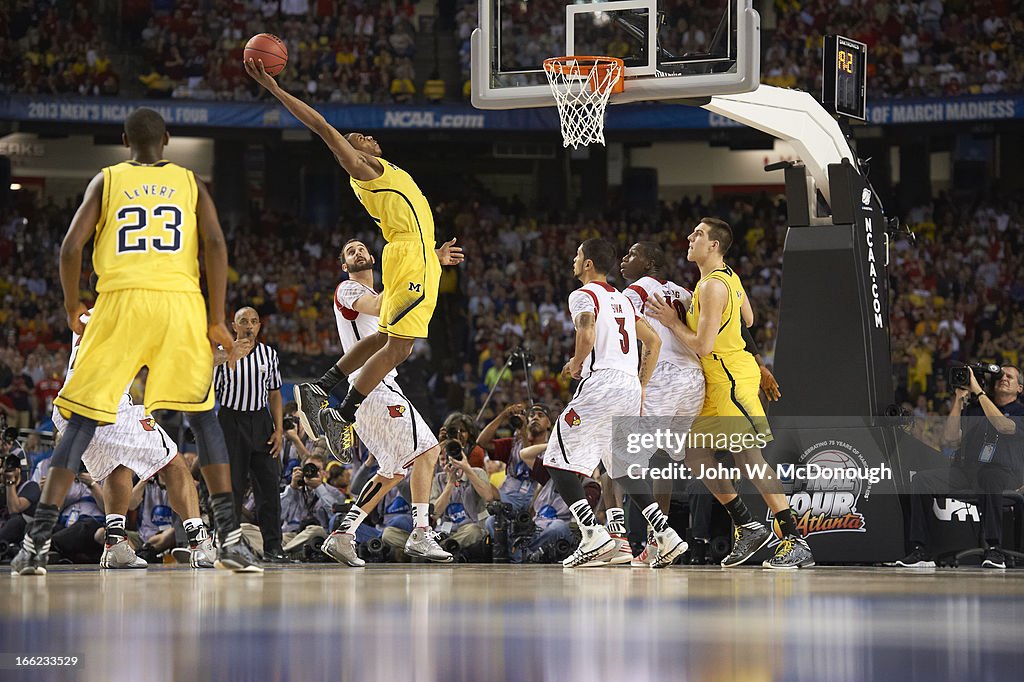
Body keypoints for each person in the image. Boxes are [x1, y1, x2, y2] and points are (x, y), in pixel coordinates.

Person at [12, 108, 259, 576]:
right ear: (166, 140)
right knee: (204, 419)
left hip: (119, 302)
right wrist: (216, 319)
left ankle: (37, 542)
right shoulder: (190, 182)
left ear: (125, 140)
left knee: (82, 422)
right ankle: (228, 541)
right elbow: (215, 245)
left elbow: (70, 247)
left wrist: (70, 308)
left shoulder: (105, 180)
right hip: (178, 302)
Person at [244, 58, 464, 460]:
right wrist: (275, 91)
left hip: (418, 257)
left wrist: (433, 257)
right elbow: (323, 127)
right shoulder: (360, 169)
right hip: (408, 256)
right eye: (357, 137)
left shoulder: (386, 167)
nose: (365, 136)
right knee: (400, 349)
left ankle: (323, 385)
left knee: (384, 337)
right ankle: (343, 414)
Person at [646, 217, 813, 569]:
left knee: (750, 459)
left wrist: (674, 322)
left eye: (699, 234)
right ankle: (746, 524)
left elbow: (704, 346)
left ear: (714, 246)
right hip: (719, 380)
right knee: (693, 454)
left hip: (730, 380)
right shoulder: (723, 278)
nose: (690, 237)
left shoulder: (712, 287)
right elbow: (748, 318)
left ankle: (795, 540)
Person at [543, 238, 686, 568]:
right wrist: (640, 384)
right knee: (620, 466)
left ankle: (593, 535)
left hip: (602, 383)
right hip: (628, 388)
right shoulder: (623, 299)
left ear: (589, 264)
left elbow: (587, 333)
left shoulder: (582, 295)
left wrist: (577, 362)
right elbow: (652, 342)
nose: (574, 261)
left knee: (555, 459)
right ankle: (665, 536)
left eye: (577, 256)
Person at [318, 240, 454, 566]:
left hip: (372, 390)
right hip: (372, 388)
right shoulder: (348, 290)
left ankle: (343, 534)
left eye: (361, 248)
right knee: (429, 451)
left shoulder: (378, 290)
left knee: (391, 472)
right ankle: (421, 532)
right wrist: (422, 262)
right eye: (350, 251)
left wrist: (428, 261)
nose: (358, 252)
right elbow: (382, 305)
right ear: (344, 265)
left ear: (373, 257)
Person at [48, 309, 216, 569]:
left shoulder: (86, 315)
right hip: (106, 407)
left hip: (67, 406)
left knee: (119, 466)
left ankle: (115, 545)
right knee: (173, 462)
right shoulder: (132, 312)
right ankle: (200, 543)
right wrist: (220, 356)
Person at [619, 241, 706, 565]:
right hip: (693, 379)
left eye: (632, 255)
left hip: (662, 377)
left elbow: (632, 345)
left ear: (650, 262)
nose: (625, 260)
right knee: (663, 461)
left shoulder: (634, 294)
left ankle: (619, 538)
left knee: (618, 453)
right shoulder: (684, 292)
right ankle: (659, 541)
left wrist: (637, 385)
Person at [897, 365, 1024, 569]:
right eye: (1001, 375)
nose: (1003, 378)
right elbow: (949, 438)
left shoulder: (1020, 411)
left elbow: (1003, 426)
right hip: (967, 472)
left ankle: (994, 548)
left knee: (989, 477)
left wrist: (978, 390)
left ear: (1020, 388)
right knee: (921, 480)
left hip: (1004, 473)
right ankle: (921, 550)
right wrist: (958, 399)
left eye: (1010, 376)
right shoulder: (975, 408)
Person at [213, 306, 287, 562]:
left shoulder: (269, 354)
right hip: (230, 421)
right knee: (231, 487)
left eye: (254, 321)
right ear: (234, 326)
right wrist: (222, 357)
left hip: (260, 421)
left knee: (268, 488)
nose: (249, 325)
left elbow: (275, 393)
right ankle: (227, 546)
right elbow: (207, 390)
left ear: (259, 326)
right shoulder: (221, 355)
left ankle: (274, 548)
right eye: (244, 321)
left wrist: (279, 430)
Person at [477, 403, 553, 514]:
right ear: (526, 421)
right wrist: (503, 415)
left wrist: (524, 435)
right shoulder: (513, 444)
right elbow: (482, 441)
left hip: (535, 499)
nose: (535, 418)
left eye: (540, 415)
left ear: (549, 423)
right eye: (531, 415)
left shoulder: (551, 450)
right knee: (477, 475)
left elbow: (531, 466)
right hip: (507, 497)